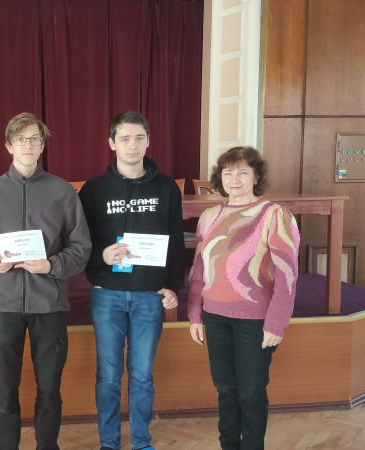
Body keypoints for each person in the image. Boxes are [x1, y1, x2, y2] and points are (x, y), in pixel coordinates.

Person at [0, 112, 91, 450]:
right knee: (5, 389)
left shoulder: (62, 191)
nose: (28, 145)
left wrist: (51, 264)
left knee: (49, 388)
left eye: (35, 139)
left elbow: (81, 247)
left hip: (49, 304)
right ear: (9, 146)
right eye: (21, 139)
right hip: (3, 304)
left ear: (43, 145)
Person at [78, 111, 185, 450]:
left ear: (149, 141)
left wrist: (173, 286)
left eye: (139, 138)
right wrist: (102, 255)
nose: (132, 145)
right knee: (108, 377)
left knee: (141, 375)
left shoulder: (167, 188)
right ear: (112, 143)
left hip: (149, 295)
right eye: (124, 139)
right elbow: (79, 243)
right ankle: (109, 443)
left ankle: (141, 442)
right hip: (107, 294)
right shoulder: (93, 190)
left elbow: (176, 240)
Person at [186, 146, 300, 450]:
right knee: (225, 388)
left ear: (256, 176)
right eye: (228, 172)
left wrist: (276, 323)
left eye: (242, 172)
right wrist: (195, 314)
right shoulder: (209, 216)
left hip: (256, 320)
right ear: (219, 178)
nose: (234, 179)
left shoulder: (275, 215)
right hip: (215, 317)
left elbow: (287, 275)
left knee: (250, 392)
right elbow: (198, 271)